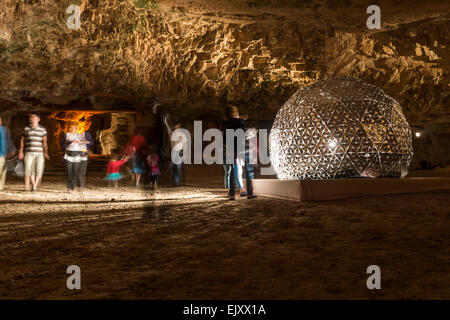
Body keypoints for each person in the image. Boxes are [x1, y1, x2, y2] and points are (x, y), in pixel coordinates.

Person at [223, 105, 256, 200]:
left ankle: (231, 194)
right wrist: (253, 132)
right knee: (248, 170)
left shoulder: (228, 125)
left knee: (233, 171)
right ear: (235, 113)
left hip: (232, 150)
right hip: (243, 149)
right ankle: (250, 193)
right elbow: (245, 134)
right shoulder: (241, 122)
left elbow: (224, 138)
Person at [18, 114, 50, 192]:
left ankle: (34, 186)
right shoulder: (26, 128)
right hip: (29, 153)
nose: (31, 118)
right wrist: (21, 151)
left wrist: (46, 152)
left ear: (38, 119)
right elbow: (22, 140)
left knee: (39, 170)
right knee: (29, 170)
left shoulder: (42, 129)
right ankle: (33, 187)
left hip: (39, 153)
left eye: (33, 117)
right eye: (30, 117)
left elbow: (44, 142)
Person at [61, 123, 94, 192]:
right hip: (69, 154)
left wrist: (83, 143)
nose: (73, 129)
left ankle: (73, 187)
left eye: (74, 128)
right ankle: (71, 187)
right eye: (71, 128)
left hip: (77, 155)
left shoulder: (79, 135)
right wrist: (70, 141)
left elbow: (89, 143)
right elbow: (63, 144)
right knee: (69, 172)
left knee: (75, 171)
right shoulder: (67, 134)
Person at [168, 122, 187, 186]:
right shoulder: (173, 134)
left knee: (178, 167)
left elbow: (185, 144)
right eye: (175, 126)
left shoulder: (182, 134)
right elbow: (172, 144)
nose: (176, 127)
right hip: (173, 152)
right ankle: (174, 179)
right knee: (171, 166)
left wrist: (185, 154)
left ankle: (176, 182)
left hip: (179, 151)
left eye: (177, 125)